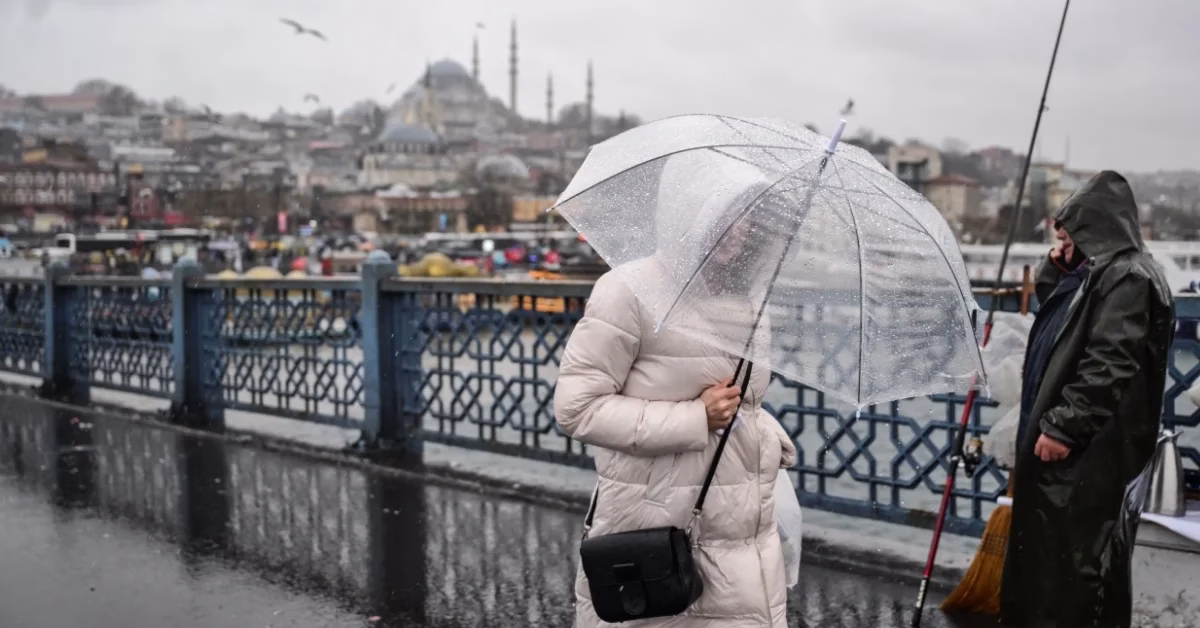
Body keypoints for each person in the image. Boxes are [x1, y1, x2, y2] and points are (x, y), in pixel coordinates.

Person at [554, 152, 797, 628]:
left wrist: (763, 434)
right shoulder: (629, 290)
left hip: (744, 525)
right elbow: (577, 409)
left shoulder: (752, 300)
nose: (739, 231)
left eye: (749, 219)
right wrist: (694, 419)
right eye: (723, 217)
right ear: (687, 212)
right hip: (658, 527)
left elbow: (740, 404)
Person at [1001, 170, 1175, 628]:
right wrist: (1057, 267)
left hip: (1091, 450)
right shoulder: (1102, 271)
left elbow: (1110, 360)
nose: (1064, 239)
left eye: (1070, 232)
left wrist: (1065, 425)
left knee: (1078, 566)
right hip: (1077, 449)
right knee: (1053, 560)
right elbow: (1059, 319)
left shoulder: (1128, 276)